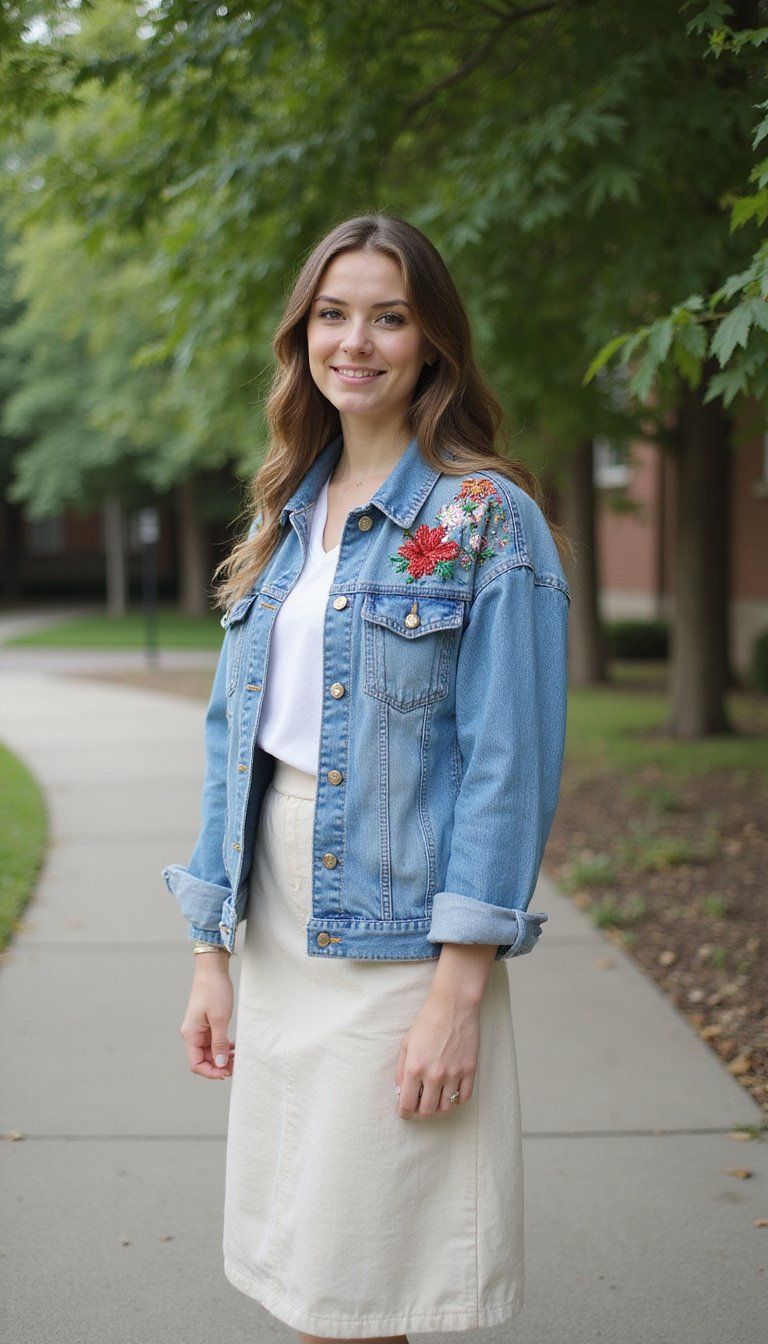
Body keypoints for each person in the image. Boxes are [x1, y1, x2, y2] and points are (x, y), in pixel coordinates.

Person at [163, 212, 571, 1342]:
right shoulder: (283, 514)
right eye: (332, 315)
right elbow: (227, 737)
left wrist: (457, 991)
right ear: (302, 340)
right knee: (310, 1264)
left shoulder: (491, 520)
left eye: (388, 316)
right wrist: (211, 952)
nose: (358, 341)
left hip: (401, 929)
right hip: (282, 920)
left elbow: (508, 767)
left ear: (432, 341)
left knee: (367, 1275)